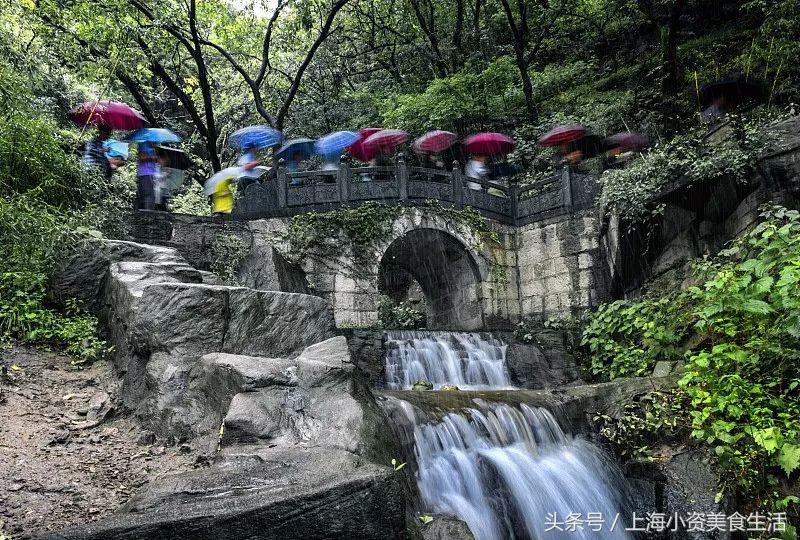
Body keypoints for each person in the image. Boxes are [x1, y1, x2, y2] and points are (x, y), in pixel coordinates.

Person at [136, 141, 159, 210]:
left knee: (146, 195)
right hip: (146, 173)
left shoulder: (152, 145)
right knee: (148, 196)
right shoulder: (144, 143)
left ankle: (142, 214)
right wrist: (154, 158)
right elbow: (142, 157)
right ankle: (147, 216)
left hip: (150, 173)